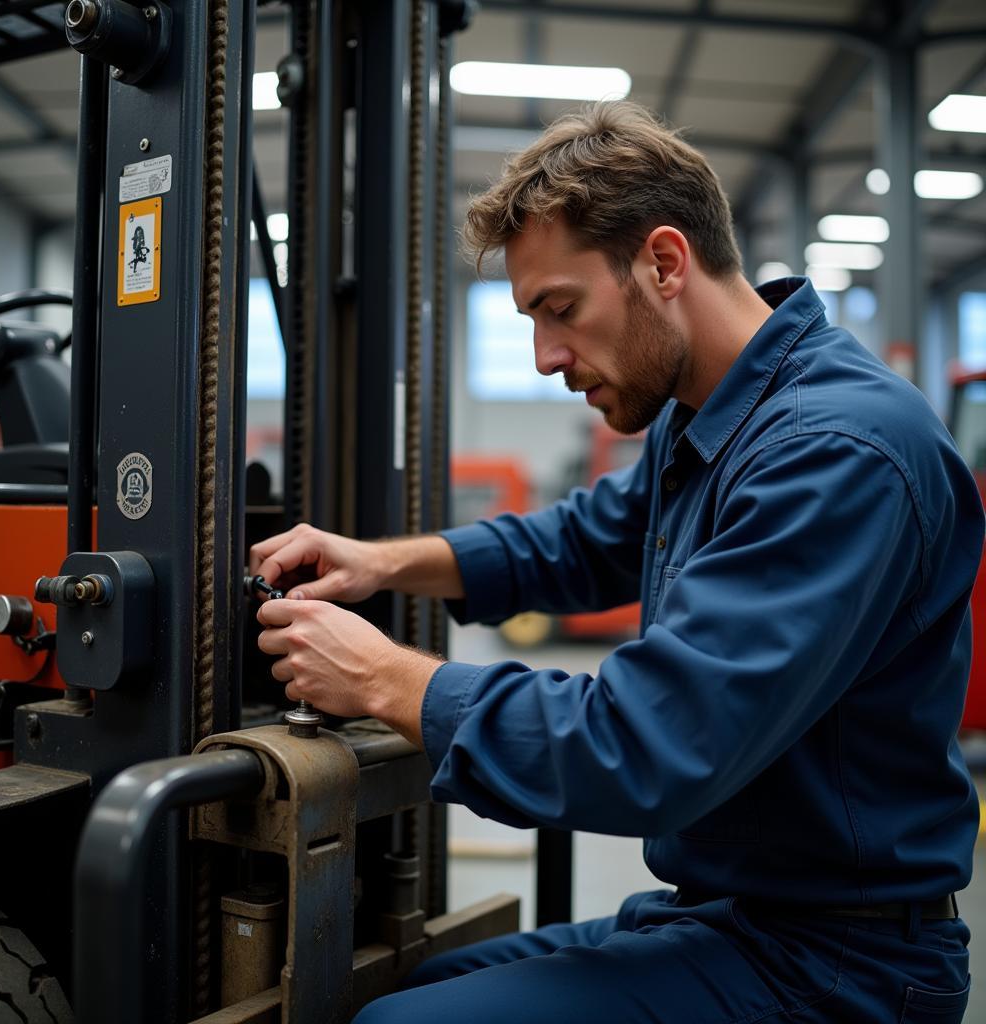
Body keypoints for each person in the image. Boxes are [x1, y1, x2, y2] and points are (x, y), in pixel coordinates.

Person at [250, 102, 983, 1023]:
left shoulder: (837, 451)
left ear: (665, 263)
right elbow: (584, 540)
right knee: (417, 985)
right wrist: (380, 565)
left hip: (839, 964)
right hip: (726, 915)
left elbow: (649, 744)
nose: (547, 356)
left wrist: (389, 679)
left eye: (561, 309)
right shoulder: (709, 414)